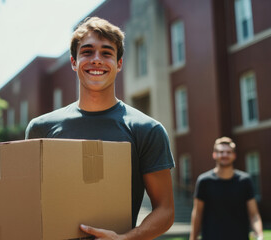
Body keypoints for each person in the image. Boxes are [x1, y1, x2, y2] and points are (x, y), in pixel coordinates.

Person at [26, 17, 175, 240]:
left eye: (107, 53)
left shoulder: (146, 129)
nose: (97, 60)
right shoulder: (41, 128)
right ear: (74, 62)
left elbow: (165, 210)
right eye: (87, 52)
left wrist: (126, 239)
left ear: (119, 63)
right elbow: (28, 203)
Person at [190, 137, 263, 240]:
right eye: (221, 152)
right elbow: (197, 214)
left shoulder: (245, 181)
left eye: (228, 152)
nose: (224, 155)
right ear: (214, 155)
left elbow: (254, 214)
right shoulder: (204, 181)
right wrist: (193, 238)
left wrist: (260, 236)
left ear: (234, 155)